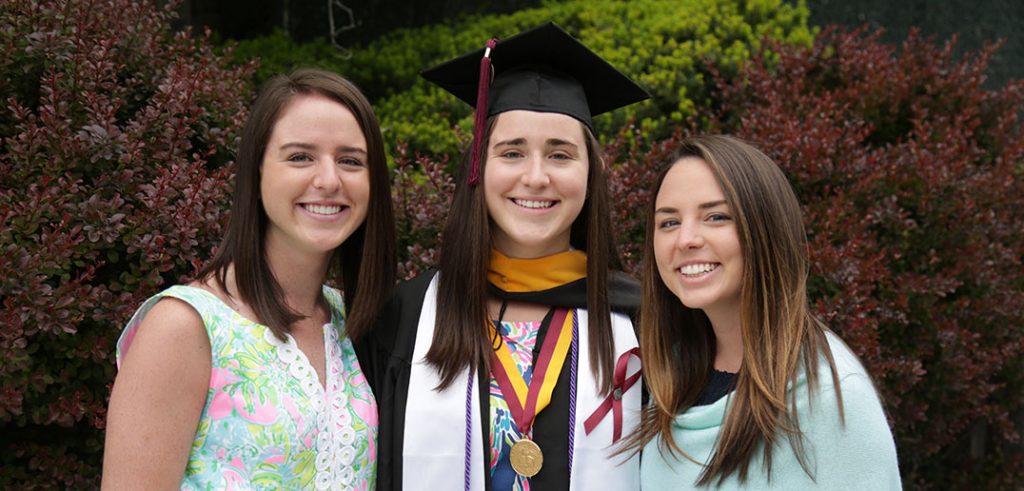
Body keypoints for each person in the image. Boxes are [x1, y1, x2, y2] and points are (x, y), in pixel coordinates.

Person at [359, 22, 649, 490]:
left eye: (560, 155)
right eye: (512, 153)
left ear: (591, 172)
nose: (535, 177)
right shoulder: (403, 319)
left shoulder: (642, 322)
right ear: (477, 165)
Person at [103, 69, 396, 490]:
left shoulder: (356, 324)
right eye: (300, 157)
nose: (329, 180)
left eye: (350, 160)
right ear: (256, 173)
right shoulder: (185, 327)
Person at [628, 135, 901, 489]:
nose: (686, 239)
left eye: (716, 216)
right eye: (669, 222)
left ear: (764, 229)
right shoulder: (668, 381)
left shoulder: (832, 397)